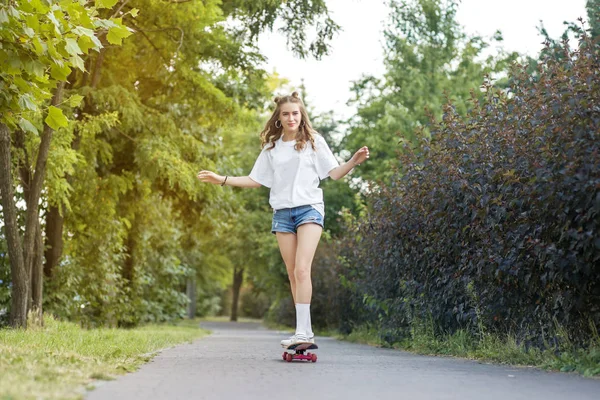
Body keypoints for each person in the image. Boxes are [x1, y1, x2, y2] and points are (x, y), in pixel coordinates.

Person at [197, 92, 369, 347]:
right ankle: (304, 331)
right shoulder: (272, 148)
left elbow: (333, 174)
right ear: (279, 117)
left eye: (295, 114)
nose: (291, 118)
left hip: (309, 208)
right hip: (282, 214)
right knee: (292, 273)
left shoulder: (314, 141)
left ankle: (303, 332)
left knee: (302, 269)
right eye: (286, 114)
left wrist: (353, 161)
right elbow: (255, 180)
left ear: (302, 116)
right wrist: (222, 179)